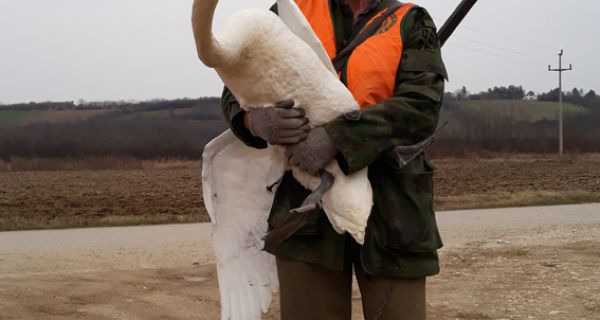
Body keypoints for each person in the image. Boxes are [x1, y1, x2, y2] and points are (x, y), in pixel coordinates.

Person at [220, 0, 447, 319]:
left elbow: (421, 107)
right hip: (306, 212)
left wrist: (337, 138)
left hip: (394, 209)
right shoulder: (287, 14)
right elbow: (236, 82)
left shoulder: (411, 21)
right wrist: (253, 121)